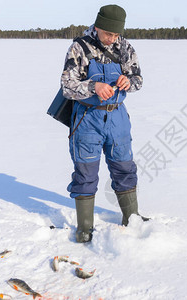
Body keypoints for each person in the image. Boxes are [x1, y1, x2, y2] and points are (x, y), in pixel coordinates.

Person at [60, 4, 146, 243]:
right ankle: (85, 227)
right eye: (109, 34)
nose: (113, 39)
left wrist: (129, 81)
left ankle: (132, 219)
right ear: (98, 27)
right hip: (88, 119)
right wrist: (93, 86)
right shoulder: (80, 47)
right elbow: (67, 85)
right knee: (86, 172)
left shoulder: (125, 47)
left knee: (125, 168)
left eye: (117, 34)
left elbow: (139, 78)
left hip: (118, 117)